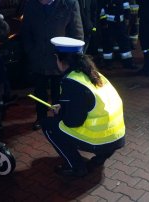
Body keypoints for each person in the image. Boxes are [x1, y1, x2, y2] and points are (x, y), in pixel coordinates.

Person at [41, 37, 125, 177]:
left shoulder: (72, 82)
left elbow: (73, 122)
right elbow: (90, 104)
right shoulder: (93, 74)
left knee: (48, 125)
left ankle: (76, 167)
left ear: (61, 60)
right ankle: (100, 158)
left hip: (101, 139)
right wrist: (65, 107)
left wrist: (60, 112)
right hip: (117, 136)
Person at [21, 0, 84, 130]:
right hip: (39, 58)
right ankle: (41, 118)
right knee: (39, 91)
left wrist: (70, 59)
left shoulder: (69, 4)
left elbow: (77, 33)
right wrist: (31, 52)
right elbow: (26, 32)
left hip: (61, 60)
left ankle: (59, 118)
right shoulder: (30, 5)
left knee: (59, 91)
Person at [99, 0, 137, 70]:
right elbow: (101, 9)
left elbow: (126, 5)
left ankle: (128, 63)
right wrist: (103, 21)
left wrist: (127, 15)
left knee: (125, 43)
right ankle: (108, 63)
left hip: (120, 24)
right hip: (108, 24)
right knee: (108, 44)